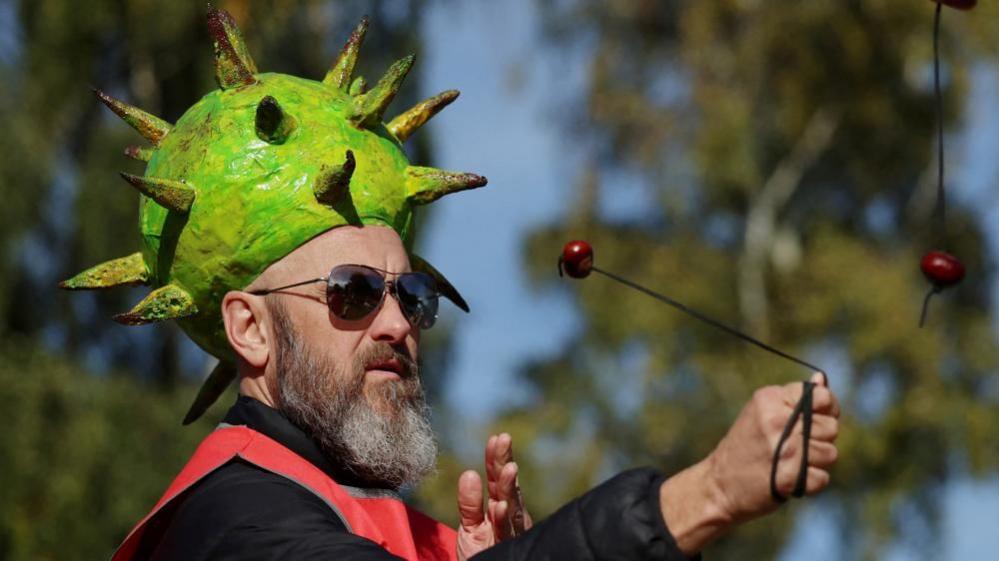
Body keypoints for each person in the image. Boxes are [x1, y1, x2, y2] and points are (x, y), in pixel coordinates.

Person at [62, 8, 840, 561]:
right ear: (249, 328)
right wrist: (700, 496)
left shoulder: (367, 521)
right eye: (353, 290)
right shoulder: (232, 525)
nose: (398, 322)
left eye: (412, 295)